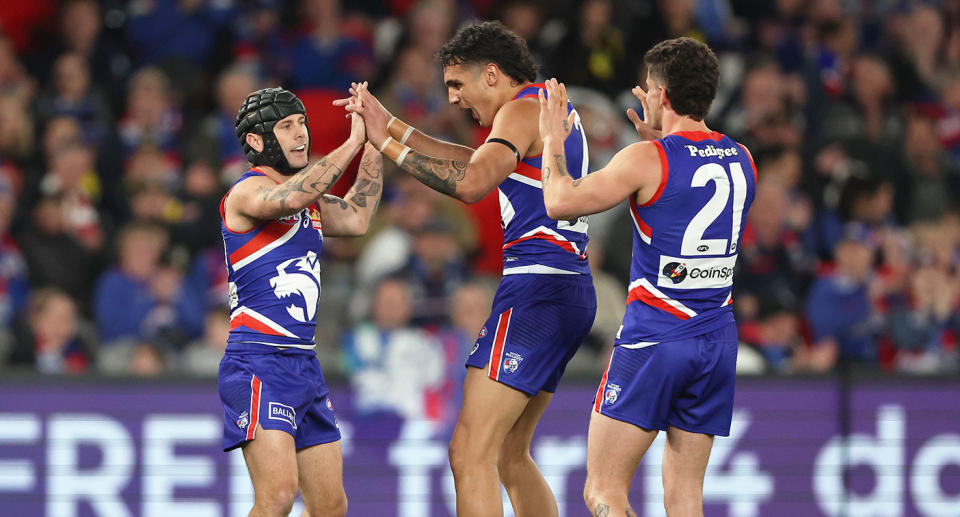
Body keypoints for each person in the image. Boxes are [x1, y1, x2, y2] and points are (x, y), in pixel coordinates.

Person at [341, 20, 596, 517]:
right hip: (567, 289)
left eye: (458, 84)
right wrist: (390, 123)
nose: (454, 99)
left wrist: (387, 147)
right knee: (508, 454)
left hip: (534, 292)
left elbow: (472, 182)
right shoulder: (538, 107)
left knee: (469, 452)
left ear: (494, 75)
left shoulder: (522, 111)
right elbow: (471, 158)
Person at [537, 37, 757, 517]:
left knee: (603, 491)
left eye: (649, 88)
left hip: (655, 336)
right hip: (716, 337)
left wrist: (553, 140)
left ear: (661, 95)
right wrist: (659, 145)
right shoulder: (743, 159)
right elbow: (689, 193)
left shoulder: (645, 161)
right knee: (684, 497)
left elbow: (559, 201)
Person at [217, 85, 383, 517]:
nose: (300, 135)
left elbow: (358, 217)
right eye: (286, 126)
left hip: (304, 365)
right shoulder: (246, 193)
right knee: (277, 496)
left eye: (302, 124)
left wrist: (373, 148)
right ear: (256, 142)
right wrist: (349, 142)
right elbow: (291, 197)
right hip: (258, 361)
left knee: (330, 506)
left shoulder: (308, 202)